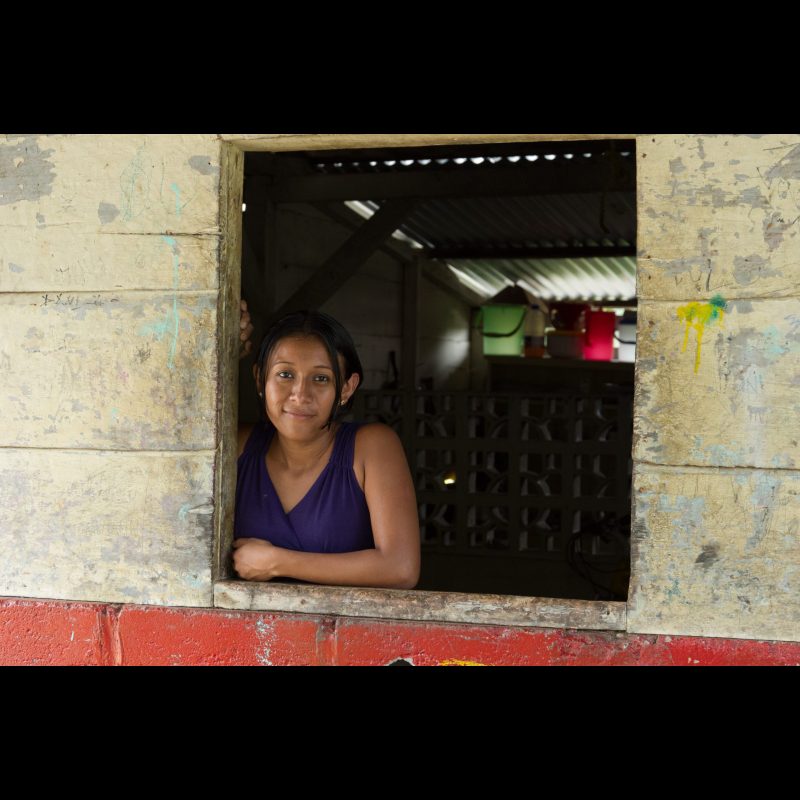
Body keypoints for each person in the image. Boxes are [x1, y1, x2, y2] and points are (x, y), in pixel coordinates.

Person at [232, 301, 420, 590]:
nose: (300, 394)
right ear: (260, 379)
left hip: (346, 635)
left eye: (321, 378)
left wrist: (277, 562)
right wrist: (222, 348)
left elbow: (400, 568)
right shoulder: (238, 445)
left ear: (346, 388)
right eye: (285, 374)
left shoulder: (370, 448)